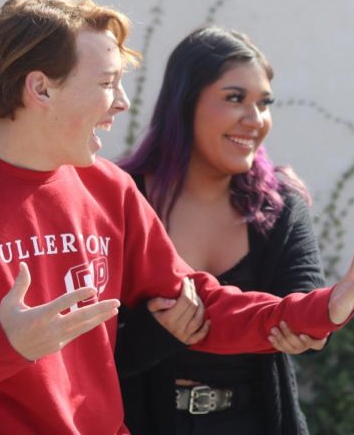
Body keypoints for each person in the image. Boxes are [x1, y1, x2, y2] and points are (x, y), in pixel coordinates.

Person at [0, 0, 354, 433]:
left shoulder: (108, 188)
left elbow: (195, 302)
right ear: (40, 89)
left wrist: (316, 308)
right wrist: (1, 349)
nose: (121, 103)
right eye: (106, 83)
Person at [116, 26, 327, 434]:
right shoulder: (120, 199)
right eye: (235, 99)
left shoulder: (280, 206)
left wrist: (313, 325)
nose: (255, 120)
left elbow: (308, 305)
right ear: (185, 103)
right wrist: (156, 333)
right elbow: (88, 349)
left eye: (264, 103)